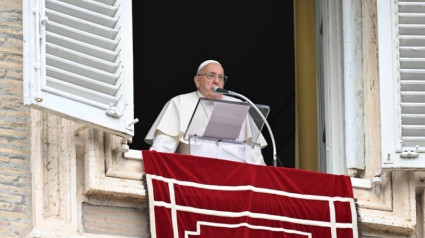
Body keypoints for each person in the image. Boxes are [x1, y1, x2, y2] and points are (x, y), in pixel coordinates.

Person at [144, 60, 267, 165]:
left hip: (233, 178)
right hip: (193, 174)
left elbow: (255, 156)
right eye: (211, 75)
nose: (216, 81)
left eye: (220, 77)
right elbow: (162, 150)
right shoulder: (180, 102)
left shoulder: (238, 105)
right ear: (197, 81)